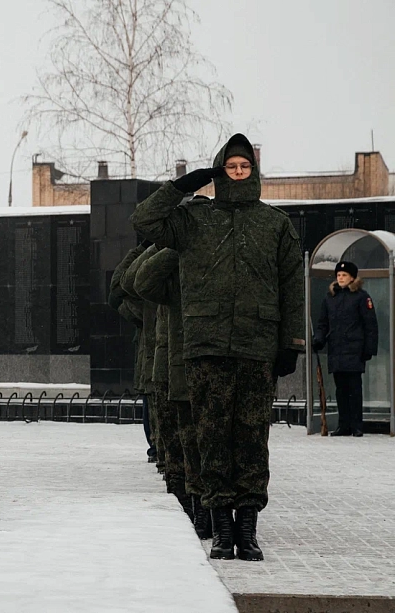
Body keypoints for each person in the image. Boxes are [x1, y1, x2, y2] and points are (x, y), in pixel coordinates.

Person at [131, 133, 305, 562]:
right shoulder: (194, 219)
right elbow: (145, 222)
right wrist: (182, 187)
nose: (239, 172)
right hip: (205, 346)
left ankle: (248, 529)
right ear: (220, 170)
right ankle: (221, 530)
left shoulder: (274, 224)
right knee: (211, 436)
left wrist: (291, 344)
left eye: (245, 166)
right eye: (232, 166)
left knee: (251, 438)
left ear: (254, 172)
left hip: (256, 346)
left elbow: (291, 288)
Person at [134, 242, 211, 539]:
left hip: (213, 358)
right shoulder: (171, 263)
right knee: (181, 444)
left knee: (211, 444)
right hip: (173, 363)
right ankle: (188, 510)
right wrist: (169, 243)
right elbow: (133, 283)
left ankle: (214, 513)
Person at [312, 261, 378, 437]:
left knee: (354, 388)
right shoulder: (330, 298)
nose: (340, 278)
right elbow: (322, 323)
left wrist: (368, 349)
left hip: (354, 349)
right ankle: (344, 425)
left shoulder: (361, 297)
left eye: (344, 275)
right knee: (340, 389)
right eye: (339, 275)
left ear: (352, 278)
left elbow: (370, 325)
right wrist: (318, 339)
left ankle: (356, 425)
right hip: (337, 349)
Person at [109, 244, 156, 462]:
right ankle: (159, 449)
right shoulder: (145, 300)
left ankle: (159, 449)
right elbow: (119, 288)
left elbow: (119, 288)